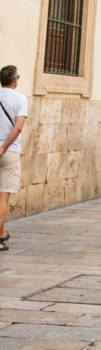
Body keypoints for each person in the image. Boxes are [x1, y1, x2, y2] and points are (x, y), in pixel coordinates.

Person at [0, 66, 28, 254]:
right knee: (3, 196)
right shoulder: (21, 99)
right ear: (15, 80)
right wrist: (3, 147)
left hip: (5, 149)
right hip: (9, 151)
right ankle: (0, 237)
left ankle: (2, 233)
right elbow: (18, 127)